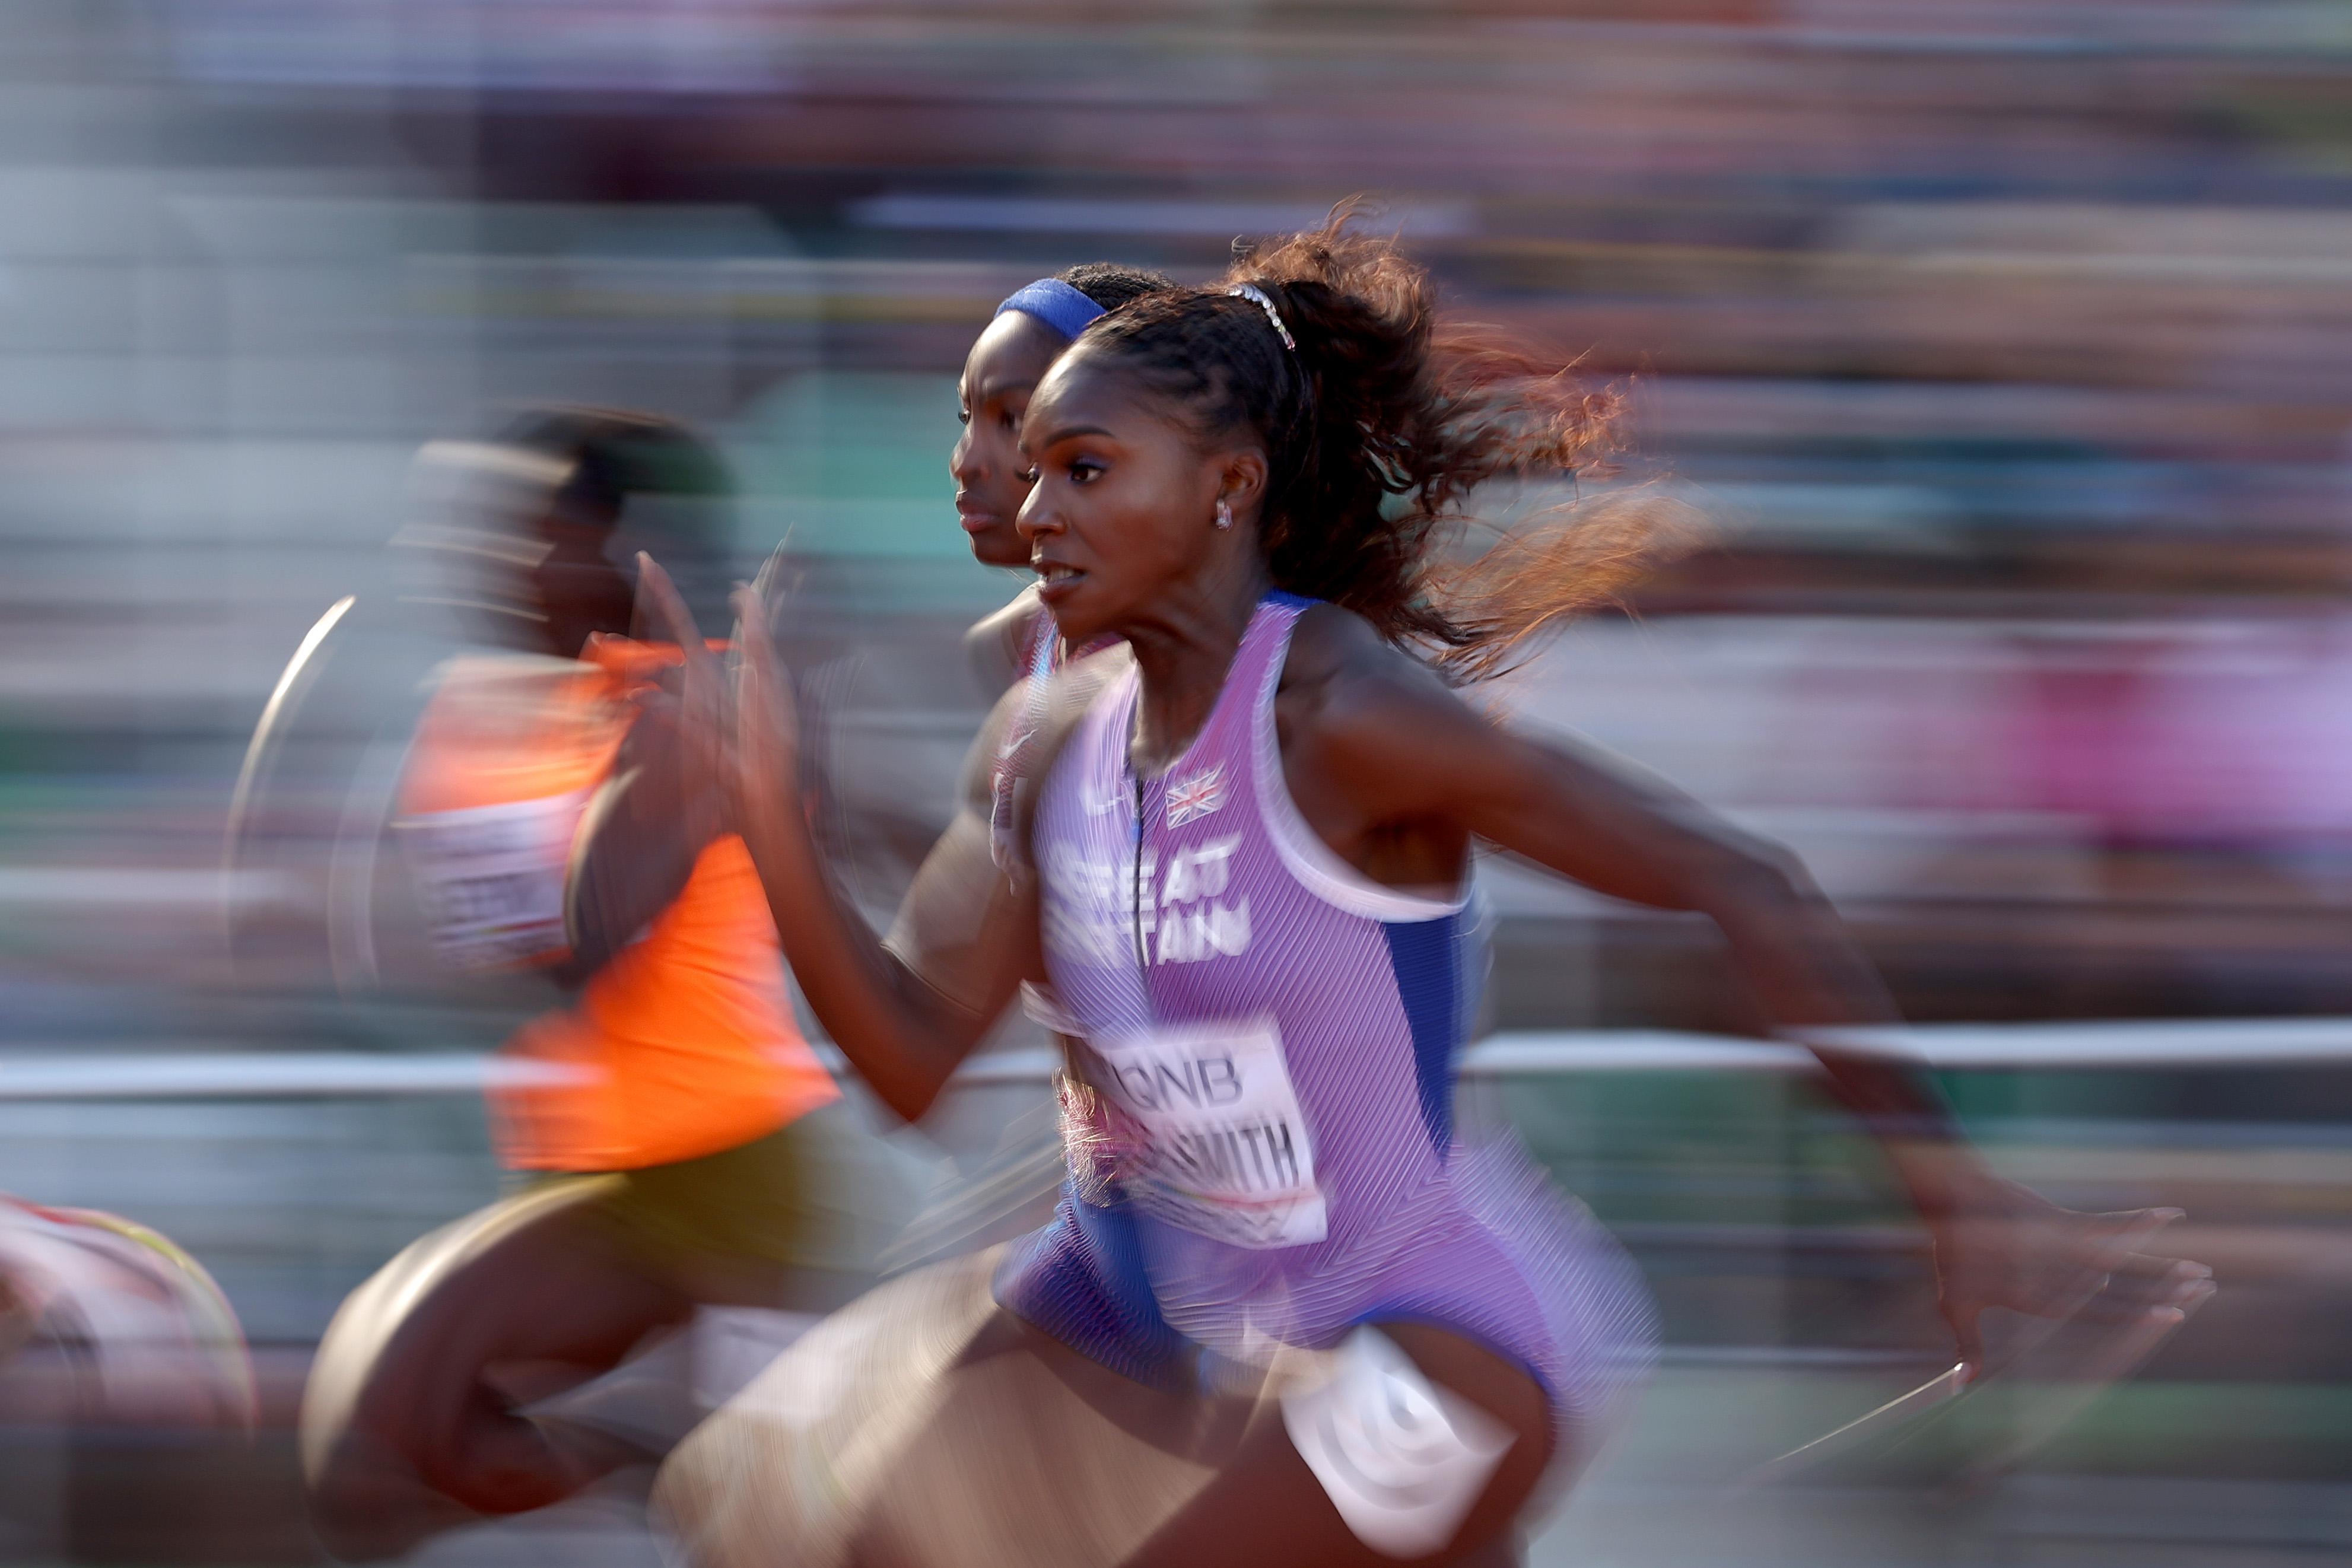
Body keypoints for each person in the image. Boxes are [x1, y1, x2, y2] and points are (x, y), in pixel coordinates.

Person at [644, 220, 2214, 1568]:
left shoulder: (1338, 711)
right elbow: (911, 1062)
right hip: (1233, 1332)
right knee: (772, 1509)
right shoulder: (1044, 731)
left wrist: (1957, 1197)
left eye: (1080, 467)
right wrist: (773, 823)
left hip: (1453, 1342)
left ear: (1224, 489)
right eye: (1021, 461)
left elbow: (1740, 878)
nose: (1029, 508)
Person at [298, 409, 895, 1561]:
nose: (506, 564)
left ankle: (731, 1457)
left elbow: (582, 941)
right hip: (600, 1159)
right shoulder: (531, 707)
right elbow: (484, 937)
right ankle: (723, 1460)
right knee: (403, 1452)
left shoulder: (688, 705)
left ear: (630, 550)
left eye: (541, 534)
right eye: (496, 533)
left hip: (711, 1173)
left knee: (373, 1443)